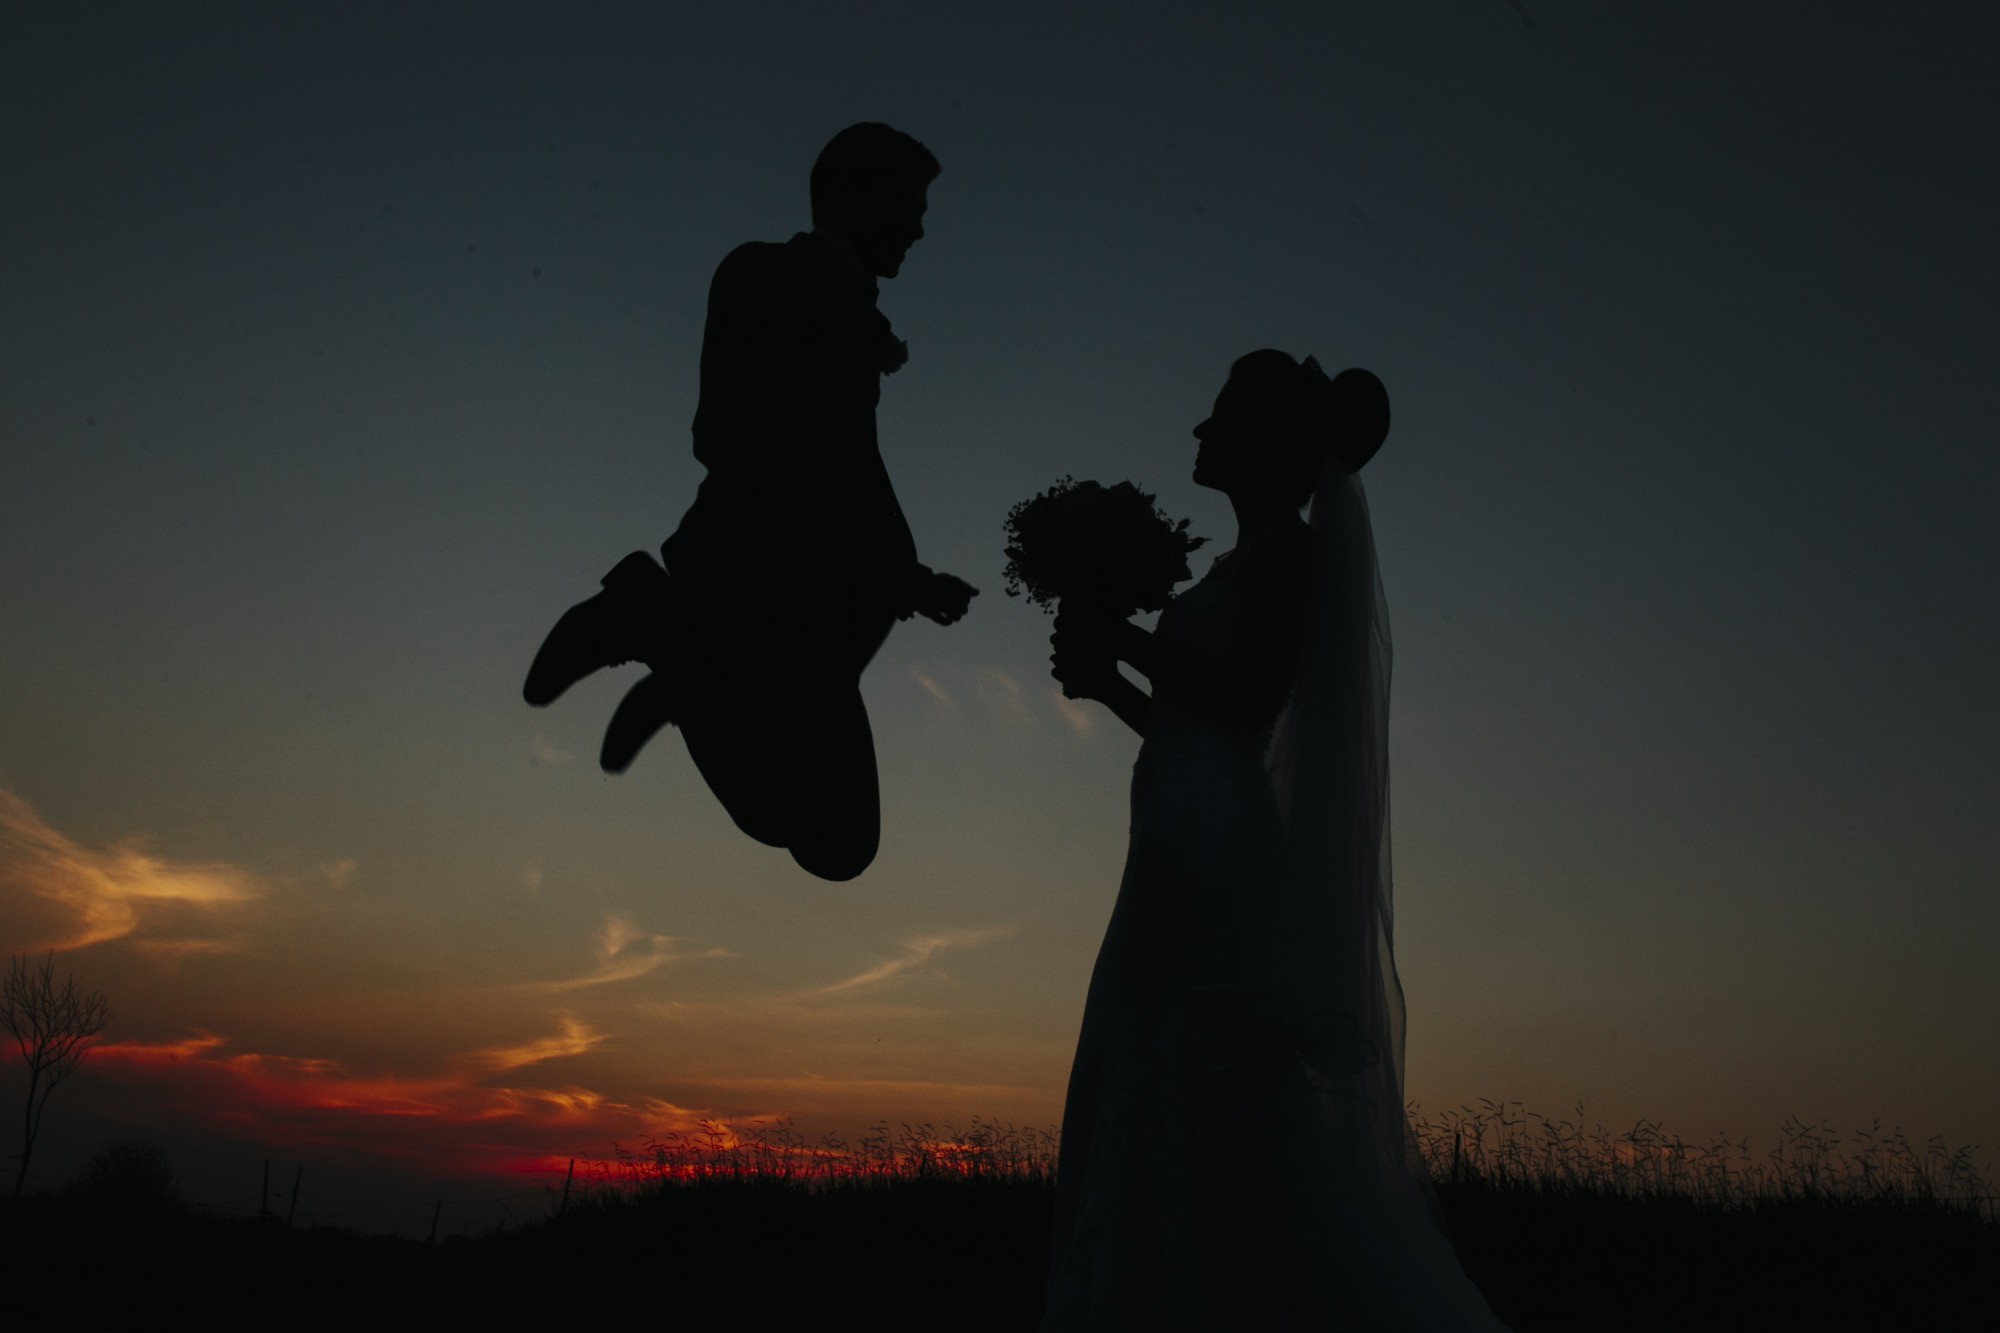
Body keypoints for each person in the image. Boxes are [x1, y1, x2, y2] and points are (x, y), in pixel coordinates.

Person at [1042, 351, 1507, 1329]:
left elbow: (1250, 699)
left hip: (1212, 855)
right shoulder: (1233, 562)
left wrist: (1125, 637)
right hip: (1173, 838)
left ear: (1262, 442)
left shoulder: (1287, 555)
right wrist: (1109, 685)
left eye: (1218, 417)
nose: (1198, 434)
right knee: (1156, 1072)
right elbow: (1192, 726)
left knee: (1206, 1079)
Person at [524, 123, 976, 881]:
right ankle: (653, 619)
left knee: (843, 847)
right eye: (903, 202)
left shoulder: (855, 314)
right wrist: (814, 543)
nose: (919, 227)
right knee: (785, 812)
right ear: (843, 193)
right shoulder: (767, 272)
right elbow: (727, 432)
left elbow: (852, 461)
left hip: (836, 613)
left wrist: (906, 577)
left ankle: (677, 669)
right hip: (764, 592)